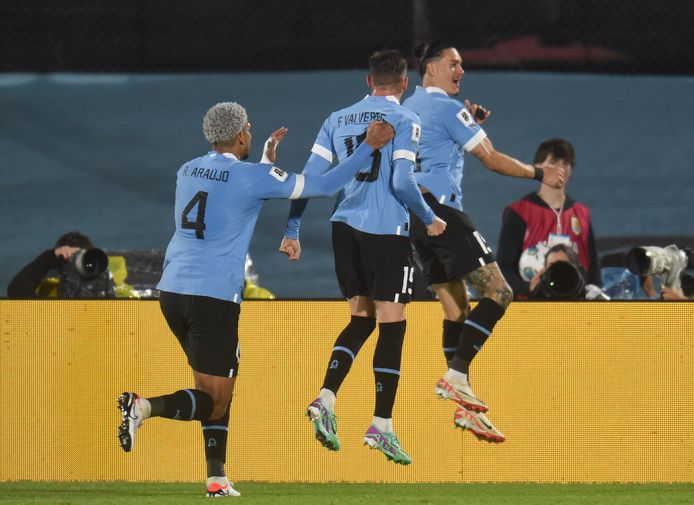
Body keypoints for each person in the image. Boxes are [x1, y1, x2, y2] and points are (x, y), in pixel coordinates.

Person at [117, 102, 394, 496]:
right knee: (214, 401)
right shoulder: (251, 177)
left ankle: (216, 478)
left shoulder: (187, 170)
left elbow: (228, 196)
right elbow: (323, 185)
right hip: (212, 296)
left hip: (173, 291)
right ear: (242, 134)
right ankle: (142, 407)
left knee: (215, 386)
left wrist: (265, 163)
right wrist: (368, 145)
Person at [279, 50, 446, 465]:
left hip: (344, 229)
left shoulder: (336, 119)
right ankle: (382, 426)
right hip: (385, 232)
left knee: (360, 320)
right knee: (393, 327)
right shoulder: (407, 120)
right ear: (404, 84)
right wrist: (429, 219)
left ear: (367, 81)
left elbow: (311, 180)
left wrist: (292, 228)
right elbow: (403, 182)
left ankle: (325, 399)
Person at [402, 41, 564, 444]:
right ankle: (455, 377)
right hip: (442, 212)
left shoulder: (409, 107)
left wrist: (469, 121)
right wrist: (538, 173)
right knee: (500, 291)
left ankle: (464, 406)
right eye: (454, 63)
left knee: (456, 311)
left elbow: (435, 148)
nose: (462, 70)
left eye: (463, 64)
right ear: (433, 69)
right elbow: (489, 157)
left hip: (413, 216)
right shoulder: (446, 108)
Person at [496, 138, 601, 299]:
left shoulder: (581, 214)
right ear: (537, 167)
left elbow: (593, 269)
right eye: (553, 162)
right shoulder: (518, 212)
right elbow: (503, 267)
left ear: (571, 169)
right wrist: (527, 288)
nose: (560, 169)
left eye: (566, 163)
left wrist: (593, 292)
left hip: (574, 308)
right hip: (529, 307)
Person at [7, 231, 115, 299]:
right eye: (71, 260)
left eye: (84, 260)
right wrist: (49, 258)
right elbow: (17, 291)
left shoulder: (112, 285)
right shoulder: (47, 294)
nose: (78, 267)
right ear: (59, 265)